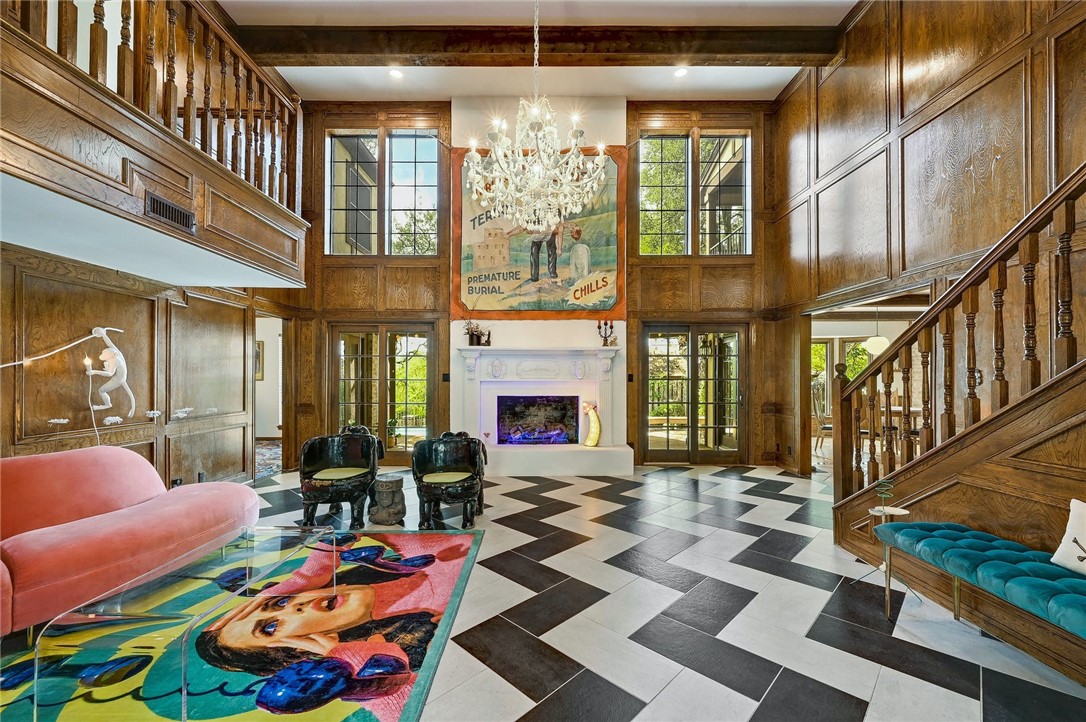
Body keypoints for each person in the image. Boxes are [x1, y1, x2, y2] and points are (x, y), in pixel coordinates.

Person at [195, 533, 470, 714]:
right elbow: (406, 709)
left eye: (279, 603)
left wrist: (306, 577)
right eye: (270, 627)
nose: (294, 605)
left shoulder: (380, 568)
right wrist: (354, 667)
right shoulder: (435, 608)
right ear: (302, 648)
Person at [505, 220, 581, 283]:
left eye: (572, 227)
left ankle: (551, 273)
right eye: (572, 228)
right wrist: (509, 234)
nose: (571, 226)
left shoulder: (561, 225)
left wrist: (559, 249)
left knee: (550, 250)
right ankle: (536, 276)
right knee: (536, 251)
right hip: (542, 231)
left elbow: (559, 235)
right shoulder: (533, 226)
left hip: (548, 232)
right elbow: (521, 228)